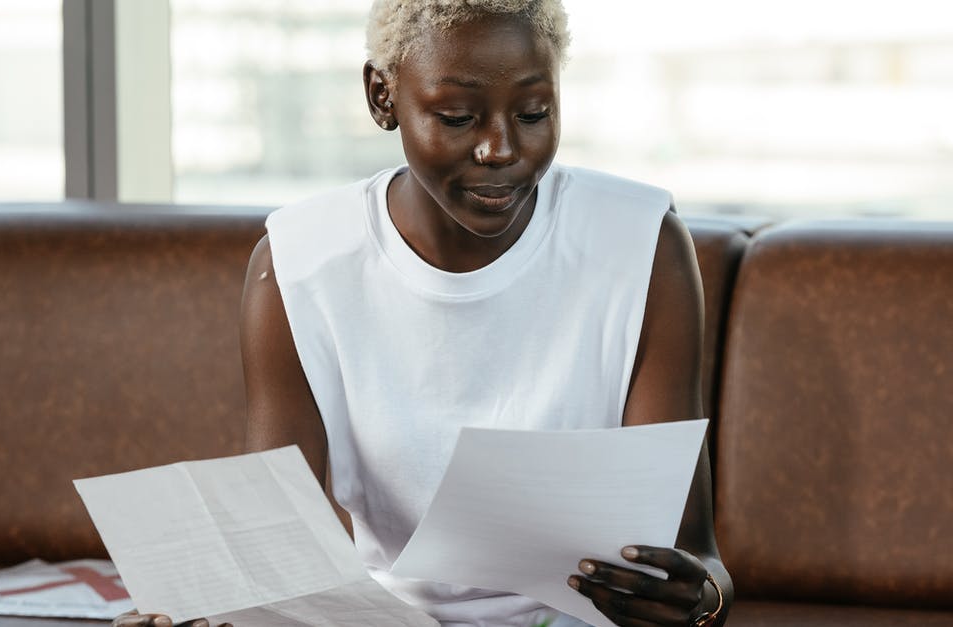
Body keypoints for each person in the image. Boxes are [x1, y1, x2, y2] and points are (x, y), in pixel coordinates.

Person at [116, 1, 731, 625]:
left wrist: (700, 603)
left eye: (533, 113)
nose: (501, 149)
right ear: (383, 97)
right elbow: (277, 564)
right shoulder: (299, 266)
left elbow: (697, 557)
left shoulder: (640, 246)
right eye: (458, 117)